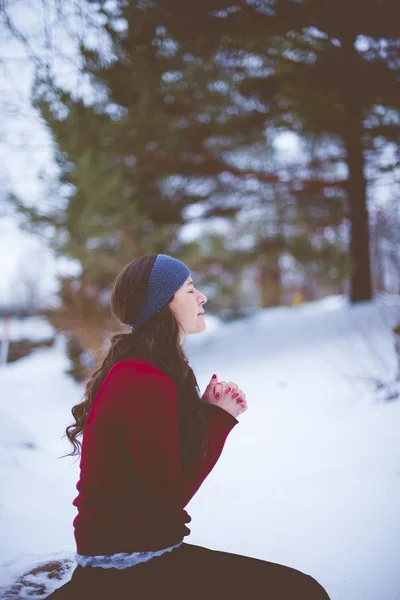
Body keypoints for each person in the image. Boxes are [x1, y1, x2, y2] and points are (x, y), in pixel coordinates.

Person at [47, 254, 330, 599]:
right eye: (190, 289)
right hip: (125, 569)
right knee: (300, 593)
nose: (202, 298)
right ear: (162, 304)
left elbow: (161, 472)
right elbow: (167, 494)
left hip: (141, 555)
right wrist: (218, 419)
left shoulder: (152, 370)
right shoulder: (141, 377)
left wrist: (205, 412)